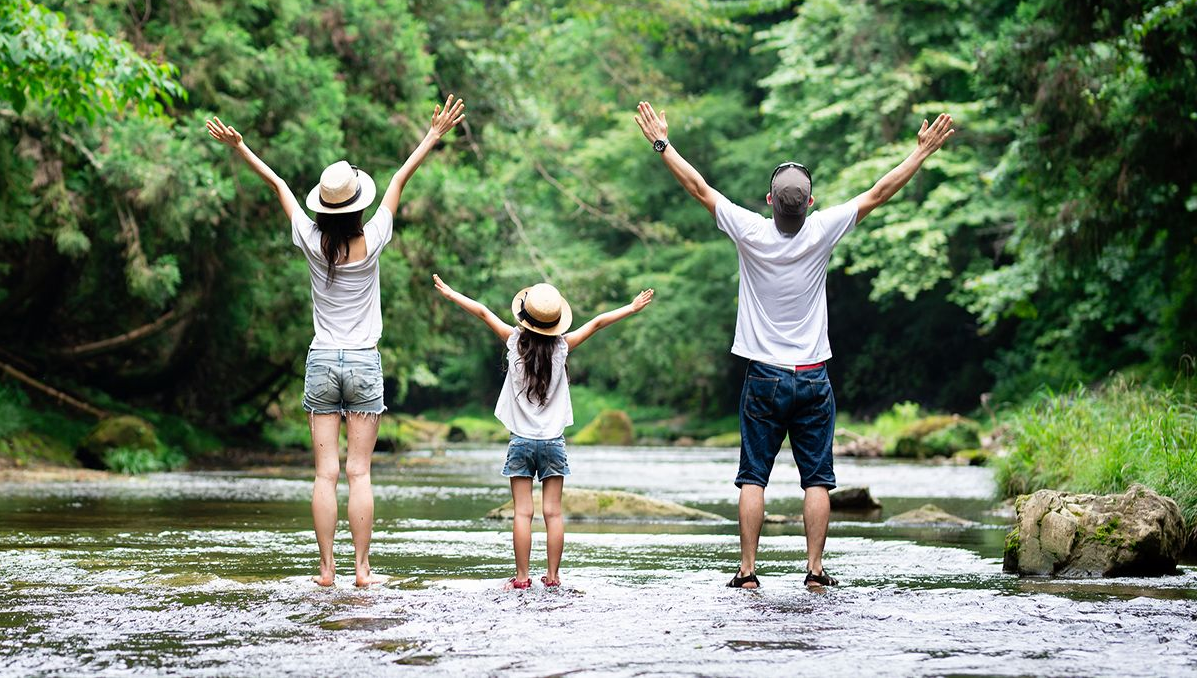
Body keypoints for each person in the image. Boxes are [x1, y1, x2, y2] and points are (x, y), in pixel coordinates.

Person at [631, 100, 957, 589]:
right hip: (813, 377)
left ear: (768, 200)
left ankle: (746, 572)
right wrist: (922, 153)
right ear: (808, 203)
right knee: (818, 479)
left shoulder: (749, 231)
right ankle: (815, 571)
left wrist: (662, 143)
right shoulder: (824, 229)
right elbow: (879, 192)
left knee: (753, 477)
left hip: (763, 375)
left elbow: (697, 187)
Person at [205, 94, 466, 588]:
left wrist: (240, 147)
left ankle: (326, 572)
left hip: (322, 361)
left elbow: (279, 183)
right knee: (359, 475)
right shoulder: (374, 239)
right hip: (364, 362)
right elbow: (398, 180)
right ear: (357, 205)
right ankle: (362, 571)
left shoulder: (308, 237)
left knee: (324, 475)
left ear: (323, 207)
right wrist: (433, 135)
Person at [433, 275, 653, 589]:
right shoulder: (562, 347)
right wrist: (631, 308)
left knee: (522, 513)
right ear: (555, 323)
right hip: (553, 442)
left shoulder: (513, 341)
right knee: (553, 513)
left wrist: (453, 293)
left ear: (525, 316)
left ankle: (522, 578)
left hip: (520, 441)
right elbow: (598, 323)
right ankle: (552, 577)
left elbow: (482, 312)